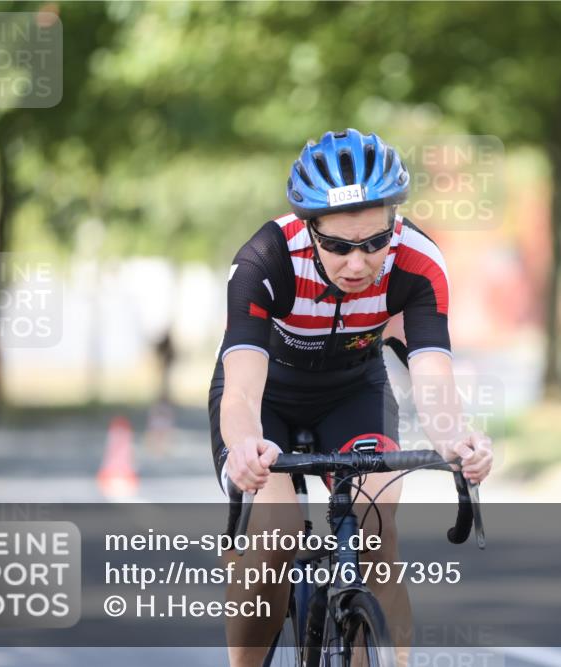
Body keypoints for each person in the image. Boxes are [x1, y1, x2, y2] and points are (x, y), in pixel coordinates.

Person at [208, 129, 493, 667]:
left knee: (377, 528)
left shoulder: (417, 261)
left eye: (373, 243)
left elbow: (432, 380)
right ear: (309, 229)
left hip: (353, 394)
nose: (357, 264)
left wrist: (459, 441)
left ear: (393, 225)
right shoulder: (265, 259)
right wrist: (245, 447)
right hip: (266, 401)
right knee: (277, 536)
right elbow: (242, 390)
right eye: (337, 246)